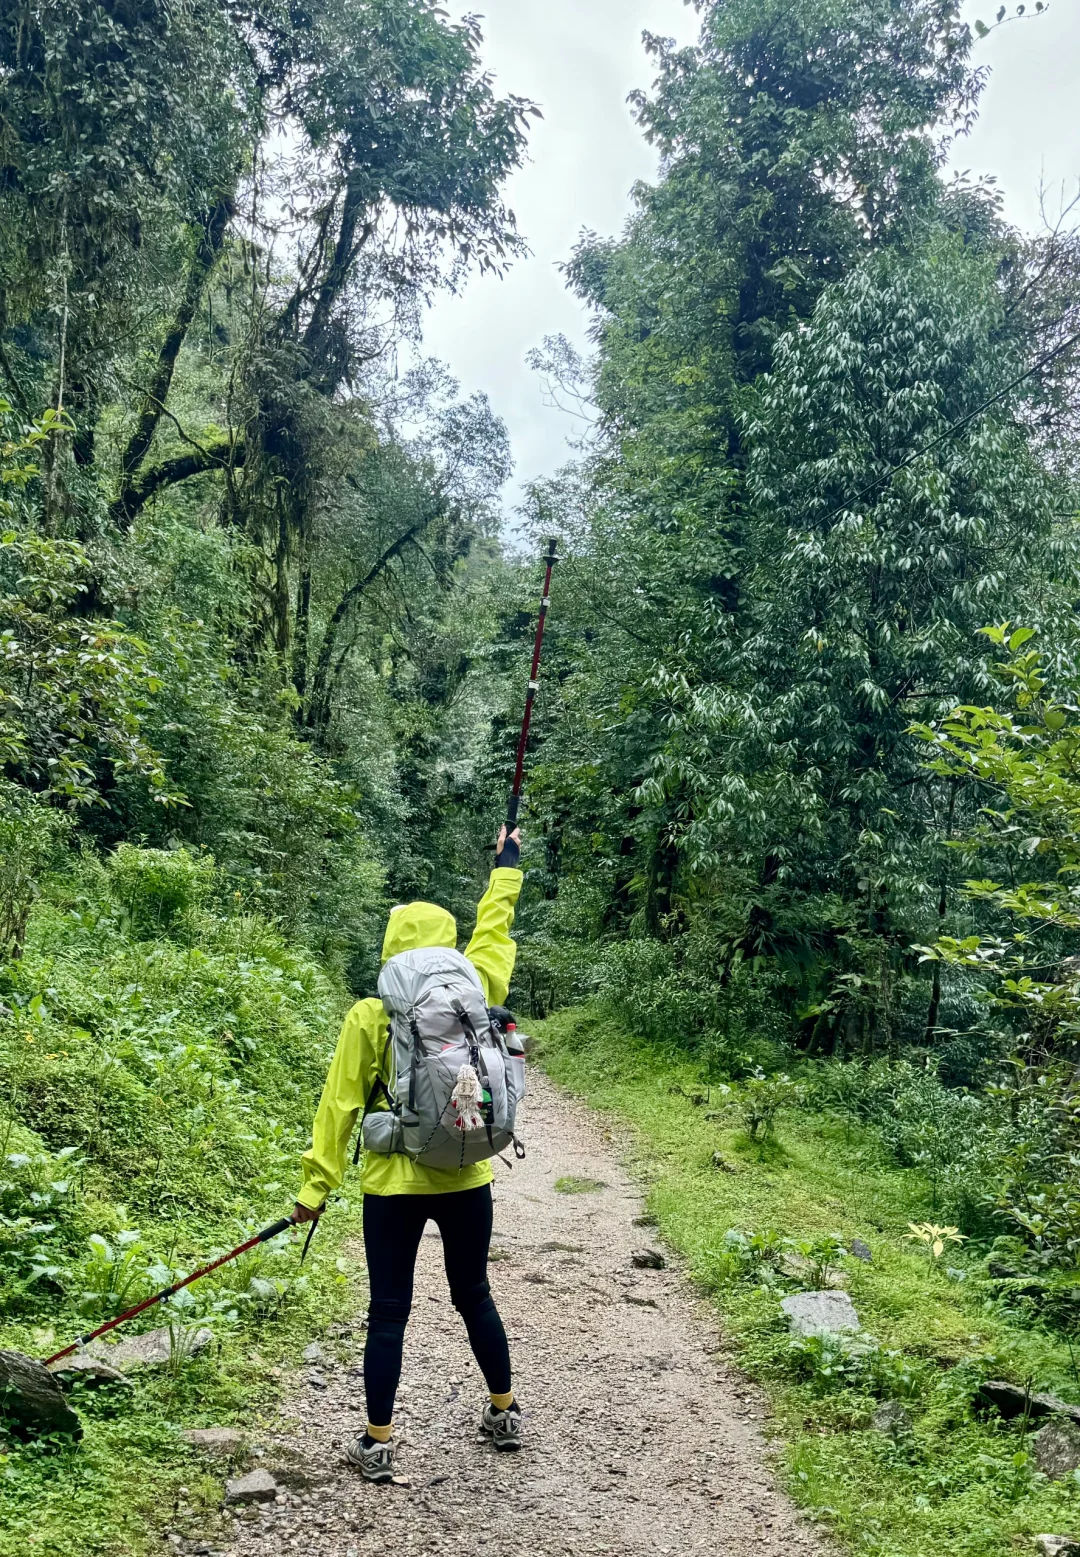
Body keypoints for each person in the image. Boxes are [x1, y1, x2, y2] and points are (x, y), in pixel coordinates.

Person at [293, 825, 524, 1483]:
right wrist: (506, 861)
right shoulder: (475, 983)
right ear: (445, 943)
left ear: (392, 944)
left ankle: (377, 1440)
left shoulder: (372, 1013)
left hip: (393, 1185)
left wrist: (315, 1188)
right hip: (465, 1171)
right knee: (474, 1293)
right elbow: (496, 930)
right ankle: (504, 1412)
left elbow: (338, 1107)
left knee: (389, 1310)